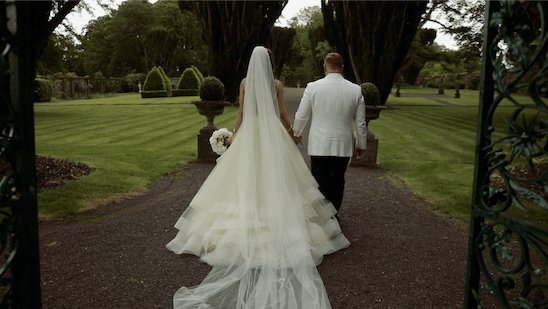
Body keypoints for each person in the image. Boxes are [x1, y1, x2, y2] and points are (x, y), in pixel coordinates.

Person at [166, 46, 349, 309]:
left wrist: (234, 138)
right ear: (271, 63)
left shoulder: (244, 83)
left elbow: (241, 115)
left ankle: (237, 230)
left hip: (250, 133)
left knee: (244, 179)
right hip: (272, 133)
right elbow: (282, 114)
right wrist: (292, 134)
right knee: (279, 179)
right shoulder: (276, 83)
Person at [292, 52, 367, 221]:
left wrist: (296, 134)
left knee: (320, 179)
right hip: (344, 143)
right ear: (342, 67)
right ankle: (333, 213)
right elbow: (360, 122)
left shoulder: (313, 87)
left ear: (325, 67)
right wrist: (361, 144)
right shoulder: (355, 89)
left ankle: (323, 216)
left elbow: (301, 115)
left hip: (319, 143)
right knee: (338, 179)